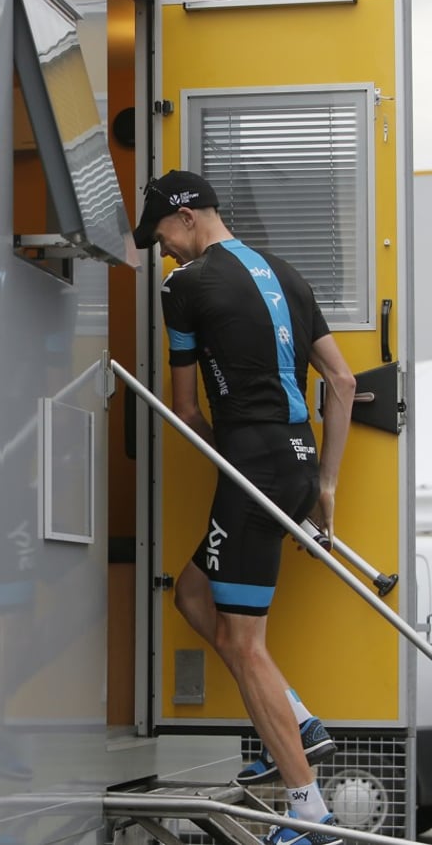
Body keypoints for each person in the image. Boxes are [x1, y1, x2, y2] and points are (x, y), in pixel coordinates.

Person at [133, 170, 357, 845]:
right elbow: (342, 382)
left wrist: (226, 453)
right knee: (194, 597)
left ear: (187, 216)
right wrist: (325, 486)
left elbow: (186, 410)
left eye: (162, 236)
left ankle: (308, 812)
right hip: (297, 464)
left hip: (252, 469)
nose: (162, 252)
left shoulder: (185, 286)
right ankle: (299, 723)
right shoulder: (285, 272)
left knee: (242, 641)